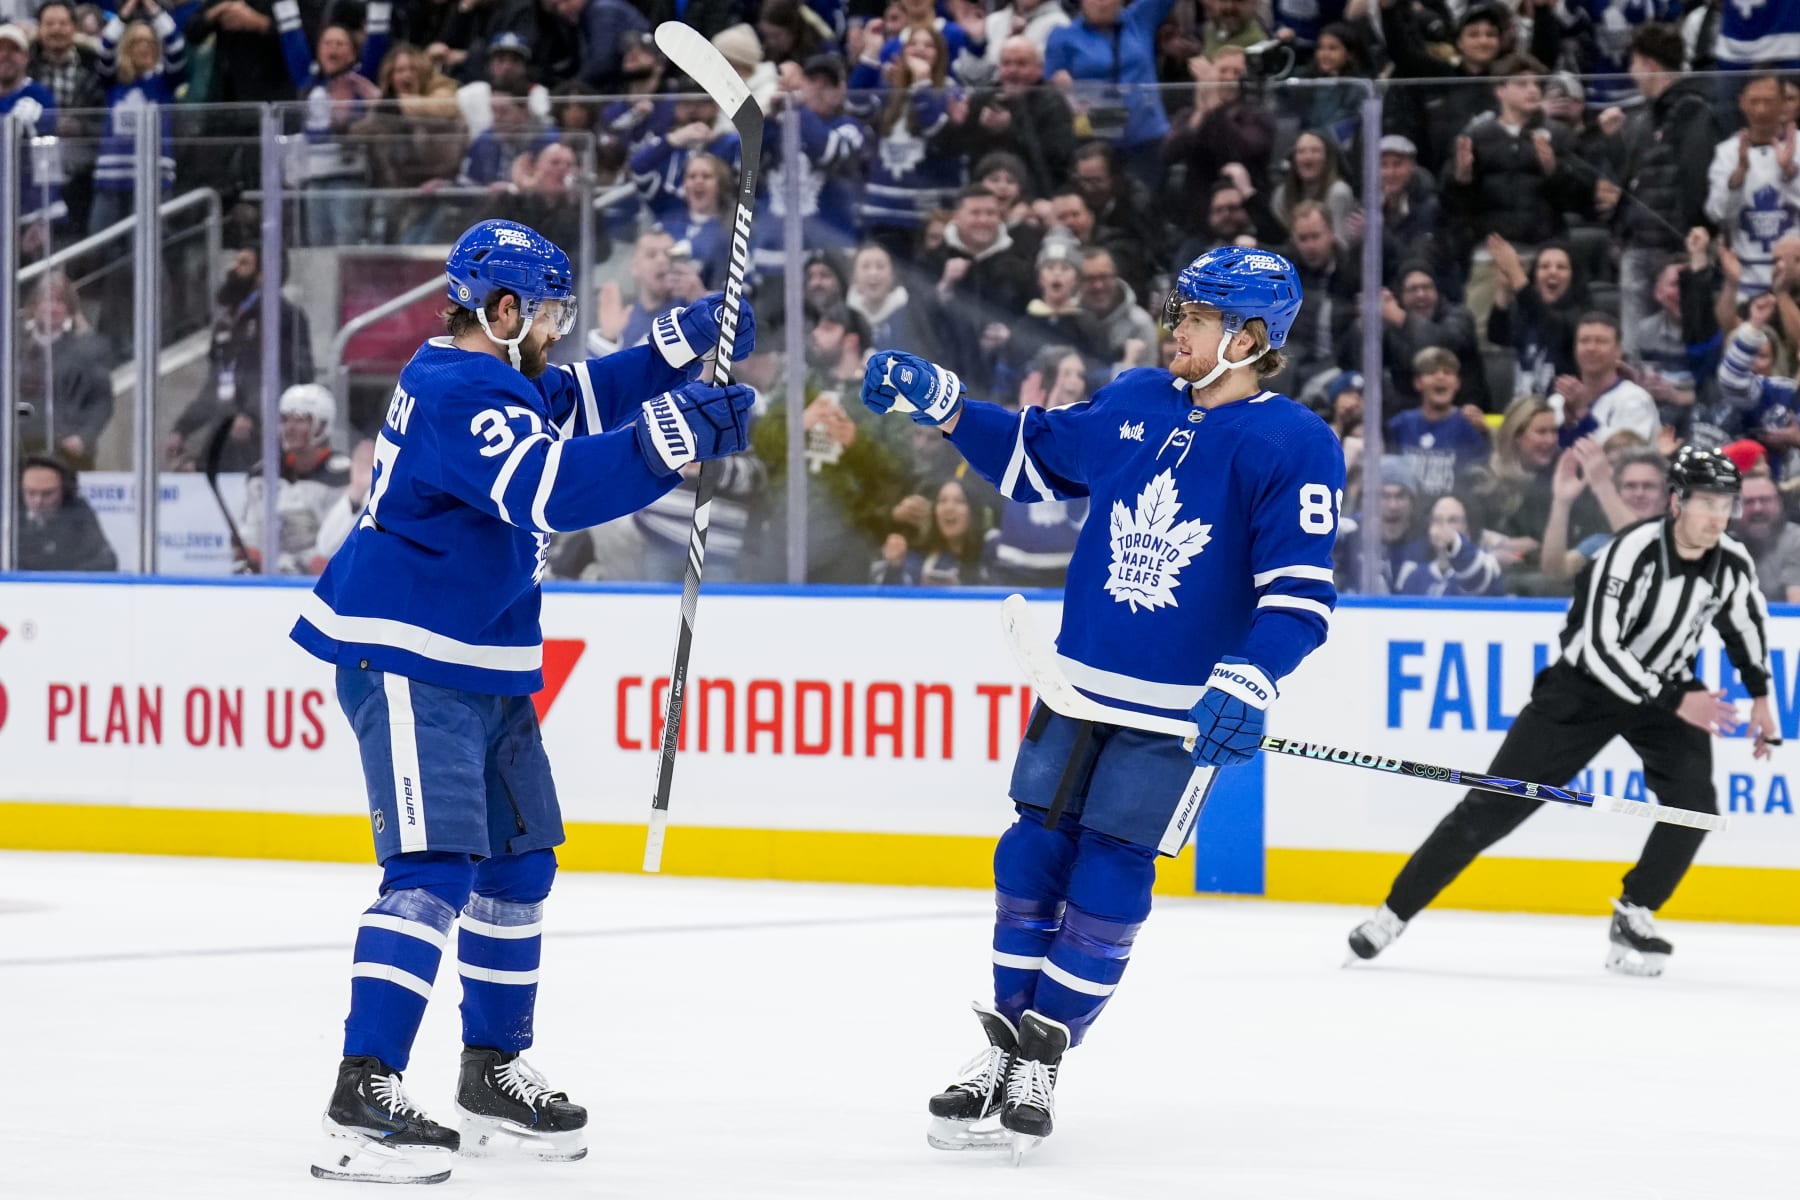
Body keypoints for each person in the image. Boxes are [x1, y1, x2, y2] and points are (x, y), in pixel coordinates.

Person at [289, 220, 756, 1185]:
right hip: (412, 653)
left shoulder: (486, 370)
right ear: (501, 312)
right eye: (543, 311)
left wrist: (678, 346)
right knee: (432, 872)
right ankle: (360, 1095)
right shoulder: (461, 391)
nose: (553, 328)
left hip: (483, 651)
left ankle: (490, 1069)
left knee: (518, 865)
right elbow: (549, 486)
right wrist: (677, 434)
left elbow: (573, 398)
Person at [859, 246, 1342, 1152]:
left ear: (1249, 336)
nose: (1176, 330)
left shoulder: (1296, 443)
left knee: (1112, 870)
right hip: (1075, 690)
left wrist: (1250, 674)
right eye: (1179, 312)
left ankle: (1048, 1053)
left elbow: (1300, 598)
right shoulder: (1133, 399)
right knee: (1028, 856)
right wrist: (947, 405)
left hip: (1171, 719)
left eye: (1196, 319)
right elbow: (1037, 461)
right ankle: (1004, 1047)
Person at [1347, 445, 1777, 978]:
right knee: (1491, 806)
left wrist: (1761, 697)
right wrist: (1677, 700)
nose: (1717, 516)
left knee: (1693, 807)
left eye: (1726, 504)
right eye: (1706, 502)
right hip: (1583, 690)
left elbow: (1746, 623)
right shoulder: (1631, 552)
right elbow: (1600, 646)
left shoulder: (1730, 560)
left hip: (1665, 690)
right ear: (1677, 502)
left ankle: (1634, 912)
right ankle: (1391, 913)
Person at [238, 384, 352, 575]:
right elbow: (252, 539)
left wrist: (313, 562)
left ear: (322, 424)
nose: (289, 428)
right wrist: (248, 554)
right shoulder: (262, 474)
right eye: (284, 419)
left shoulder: (343, 477)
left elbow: (339, 546)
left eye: (300, 420)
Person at [17, 454, 117, 572]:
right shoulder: (8, 511)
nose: (38, 501)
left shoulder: (78, 510)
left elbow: (106, 561)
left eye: (48, 493)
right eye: (30, 492)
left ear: (65, 490)